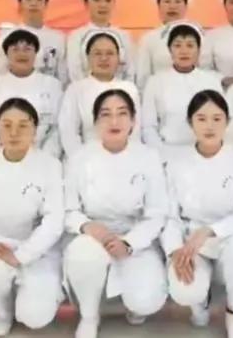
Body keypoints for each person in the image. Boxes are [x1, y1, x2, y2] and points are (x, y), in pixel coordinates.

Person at [64, 88, 169, 338]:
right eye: (106, 114)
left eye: (122, 114)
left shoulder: (148, 157)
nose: (114, 121)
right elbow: (68, 209)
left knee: (145, 301)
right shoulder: (79, 158)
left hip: (135, 237)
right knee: (83, 254)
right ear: (95, 122)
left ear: (133, 121)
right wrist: (87, 227)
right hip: (93, 235)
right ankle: (89, 315)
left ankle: (134, 302)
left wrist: (129, 243)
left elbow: (157, 213)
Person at [162, 90, 233, 338]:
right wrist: (175, 251)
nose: (209, 126)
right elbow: (169, 215)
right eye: (201, 118)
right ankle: (200, 302)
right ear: (190, 122)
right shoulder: (176, 163)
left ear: (227, 122)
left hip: (231, 238)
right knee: (184, 290)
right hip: (190, 242)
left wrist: (210, 231)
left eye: (217, 119)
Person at [0, 98, 65, 336]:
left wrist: (21, 256)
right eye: (7, 125)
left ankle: (29, 297)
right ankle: (3, 310)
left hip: (38, 251)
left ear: (35, 130)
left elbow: (53, 221)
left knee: (35, 317)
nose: (14, 132)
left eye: (23, 125)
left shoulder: (50, 165)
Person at [142, 22, 223, 160]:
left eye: (190, 45)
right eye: (178, 45)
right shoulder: (155, 82)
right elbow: (148, 127)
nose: (184, 51)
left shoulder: (212, 81)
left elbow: (220, 121)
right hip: (167, 152)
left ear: (199, 50)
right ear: (169, 50)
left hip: (205, 153)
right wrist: (162, 155)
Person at [0, 28, 63, 158]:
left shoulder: (53, 85)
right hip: (1, 158)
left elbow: (56, 130)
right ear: (6, 54)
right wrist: (3, 158)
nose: (21, 54)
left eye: (27, 49)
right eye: (15, 49)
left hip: (43, 158)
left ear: (36, 53)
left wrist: (45, 157)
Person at [58, 31, 142, 158]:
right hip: (86, 158)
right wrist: (81, 160)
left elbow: (135, 132)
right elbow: (68, 132)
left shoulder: (130, 88)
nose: (104, 58)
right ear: (87, 57)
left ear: (119, 57)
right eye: (97, 53)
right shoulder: (76, 89)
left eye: (110, 53)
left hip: (124, 158)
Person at [0, 0, 68, 82]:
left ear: (46, 4)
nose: (33, 3)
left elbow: (63, 76)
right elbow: (0, 73)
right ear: (20, 4)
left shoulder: (58, 38)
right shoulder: (6, 37)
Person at [66, 0, 135, 83]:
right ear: (86, 3)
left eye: (108, 0)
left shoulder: (124, 36)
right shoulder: (77, 36)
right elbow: (75, 72)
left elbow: (130, 71)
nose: (103, 5)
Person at [135, 0, 191, 91]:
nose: (172, 6)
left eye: (178, 1)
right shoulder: (148, 39)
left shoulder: (199, 36)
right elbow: (143, 78)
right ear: (159, 6)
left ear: (185, 6)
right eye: (167, 1)